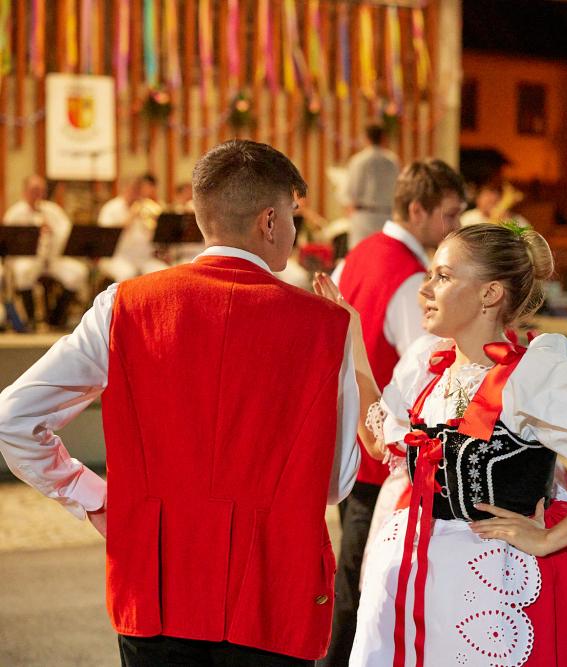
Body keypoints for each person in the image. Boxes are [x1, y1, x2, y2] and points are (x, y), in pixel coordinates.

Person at [0, 140, 361, 665]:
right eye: (292, 214)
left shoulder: (123, 306)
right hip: (271, 594)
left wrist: (92, 497)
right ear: (269, 221)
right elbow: (334, 485)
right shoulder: (327, 325)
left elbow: (12, 418)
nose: (293, 229)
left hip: (157, 583)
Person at [314, 222, 567, 666]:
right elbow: (376, 439)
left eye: (443, 276)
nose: (425, 289)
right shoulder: (427, 366)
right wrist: (352, 336)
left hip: (493, 581)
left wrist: (549, 538)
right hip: (416, 573)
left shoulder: (533, 375)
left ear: (490, 294)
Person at [318, 158, 465, 667]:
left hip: (351, 440)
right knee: (365, 590)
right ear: (418, 210)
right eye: (450, 214)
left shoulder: (358, 253)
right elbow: (430, 374)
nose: (455, 227)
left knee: (352, 578)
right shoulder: (411, 280)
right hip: (388, 460)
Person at [2, 175, 89, 328]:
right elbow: (8, 241)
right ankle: (30, 320)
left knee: (77, 273)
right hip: (28, 259)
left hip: (52, 259)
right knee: (23, 272)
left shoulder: (52, 210)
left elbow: (68, 235)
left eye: (42, 190)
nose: (38, 194)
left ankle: (56, 318)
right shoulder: (15, 213)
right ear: (25, 191)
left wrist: (52, 231)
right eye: (34, 190)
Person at [97, 173, 169, 283]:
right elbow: (106, 237)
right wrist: (130, 217)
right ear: (124, 189)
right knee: (127, 275)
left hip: (144, 258)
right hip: (117, 257)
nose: (136, 194)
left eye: (138, 190)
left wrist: (155, 226)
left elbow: (155, 235)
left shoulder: (145, 207)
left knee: (165, 273)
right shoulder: (111, 208)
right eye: (133, 189)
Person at [343, 123, 400, 249]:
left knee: (362, 254)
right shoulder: (392, 160)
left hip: (363, 216)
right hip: (387, 215)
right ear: (383, 138)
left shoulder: (358, 161)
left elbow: (350, 193)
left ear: (366, 138)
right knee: (384, 253)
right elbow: (399, 189)